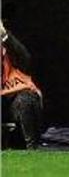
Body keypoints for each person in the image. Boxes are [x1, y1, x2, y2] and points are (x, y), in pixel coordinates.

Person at [1, 21, 43, 149]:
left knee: (26, 100)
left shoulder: (7, 44)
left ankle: (32, 150)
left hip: (12, 96)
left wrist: (4, 35)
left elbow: (25, 60)